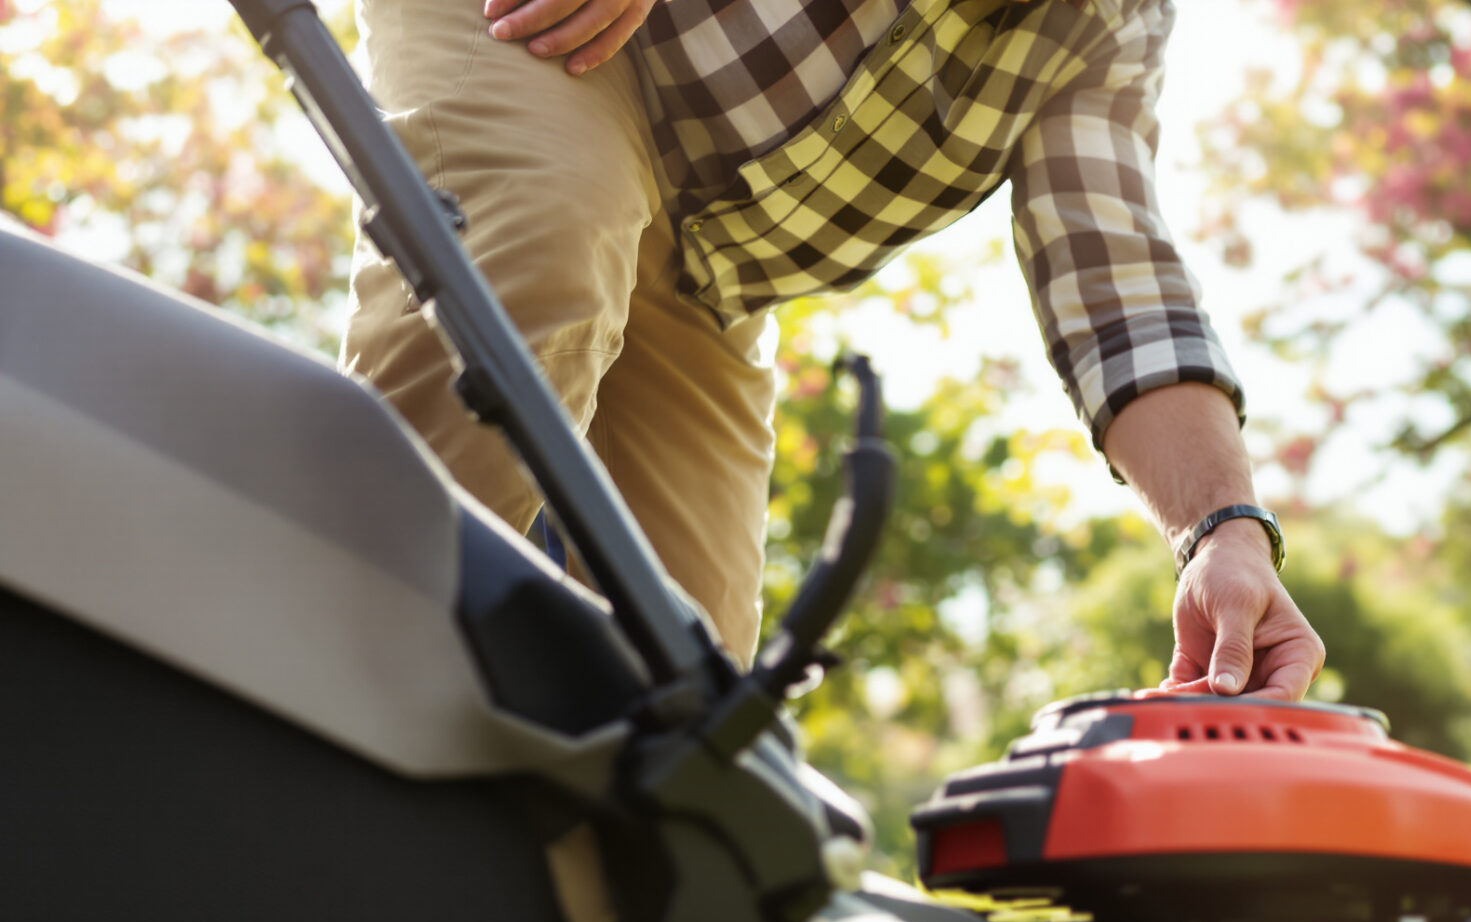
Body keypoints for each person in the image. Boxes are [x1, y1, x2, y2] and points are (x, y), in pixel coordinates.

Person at [341, 0, 1323, 699]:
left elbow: (1112, 274)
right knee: (541, 238)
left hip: (703, 256)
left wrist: (1222, 531)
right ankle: (310, 654)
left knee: (686, 689)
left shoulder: (1106, 26)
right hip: (533, 29)